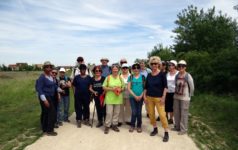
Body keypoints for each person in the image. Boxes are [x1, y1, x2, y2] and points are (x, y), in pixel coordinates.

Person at [143, 56, 169, 142]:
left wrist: (163, 97)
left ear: (158, 64)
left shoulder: (162, 74)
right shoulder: (149, 75)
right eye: (152, 64)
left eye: (156, 63)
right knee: (151, 114)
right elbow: (146, 87)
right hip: (149, 97)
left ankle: (166, 132)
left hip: (159, 98)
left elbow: (165, 87)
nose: (154, 65)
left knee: (162, 115)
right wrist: (144, 96)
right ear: (150, 65)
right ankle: (155, 128)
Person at [35, 61, 57, 136]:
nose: (49, 68)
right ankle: (49, 130)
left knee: (46, 113)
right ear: (44, 68)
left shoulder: (50, 77)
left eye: (50, 67)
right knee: (52, 113)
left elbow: (54, 86)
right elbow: (39, 89)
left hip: (51, 97)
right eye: (47, 67)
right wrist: (44, 100)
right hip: (45, 97)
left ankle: (44, 128)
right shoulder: (42, 77)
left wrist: (60, 90)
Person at [173, 60, 194, 135]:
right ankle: (177, 127)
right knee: (176, 113)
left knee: (184, 113)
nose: (181, 67)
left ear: (185, 67)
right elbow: (175, 84)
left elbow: (192, 87)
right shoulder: (177, 75)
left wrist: (190, 96)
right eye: (179, 66)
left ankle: (183, 129)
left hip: (185, 98)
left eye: (183, 66)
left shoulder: (188, 76)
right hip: (176, 97)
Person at [103, 64, 125, 134]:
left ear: (118, 70)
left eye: (116, 69)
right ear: (111, 70)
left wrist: (120, 89)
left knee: (116, 113)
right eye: (114, 69)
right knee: (109, 113)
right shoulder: (108, 77)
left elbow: (124, 87)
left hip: (118, 98)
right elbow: (103, 87)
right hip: (109, 98)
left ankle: (114, 125)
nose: (115, 70)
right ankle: (107, 126)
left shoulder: (120, 78)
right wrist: (112, 89)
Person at [128, 63, 145, 133]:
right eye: (134, 68)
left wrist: (141, 95)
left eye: (137, 68)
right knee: (134, 112)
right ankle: (132, 125)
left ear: (140, 69)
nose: (136, 69)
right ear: (132, 69)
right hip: (132, 97)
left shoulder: (143, 77)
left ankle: (139, 126)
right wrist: (135, 96)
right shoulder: (131, 77)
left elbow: (145, 88)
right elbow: (128, 88)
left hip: (140, 97)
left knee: (139, 112)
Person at [165, 60, 179, 124]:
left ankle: (171, 118)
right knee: (167, 105)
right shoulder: (167, 73)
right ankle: (166, 117)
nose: (170, 66)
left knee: (172, 106)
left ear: (175, 66)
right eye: (169, 65)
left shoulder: (178, 73)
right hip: (167, 92)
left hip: (175, 92)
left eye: (172, 65)